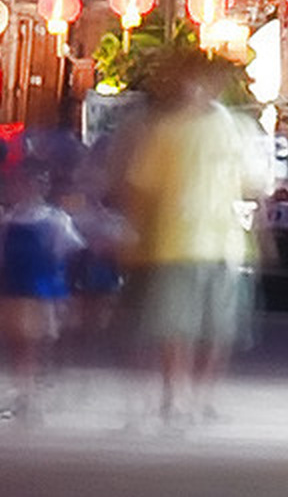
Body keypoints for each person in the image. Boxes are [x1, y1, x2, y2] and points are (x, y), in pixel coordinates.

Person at [112, 52, 267, 427]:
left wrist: (260, 234)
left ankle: (201, 396)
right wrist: (136, 233)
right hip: (175, 241)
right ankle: (175, 395)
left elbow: (256, 188)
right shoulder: (166, 131)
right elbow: (140, 187)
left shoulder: (238, 130)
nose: (194, 88)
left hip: (224, 243)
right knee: (175, 326)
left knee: (218, 330)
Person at [0, 124, 79, 412]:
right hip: (15, 290)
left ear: (42, 186)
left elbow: (69, 251)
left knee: (32, 342)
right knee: (18, 342)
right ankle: (24, 386)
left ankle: (28, 388)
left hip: (40, 292)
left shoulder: (54, 219)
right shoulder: (10, 220)